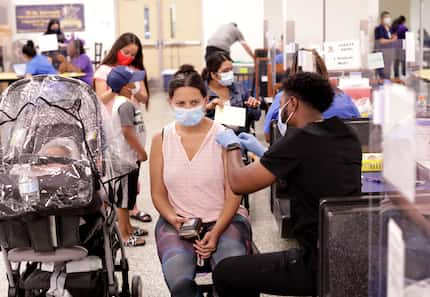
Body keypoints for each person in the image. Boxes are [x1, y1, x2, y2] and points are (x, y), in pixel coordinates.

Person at [213, 72, 362, 296]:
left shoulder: (298, 139)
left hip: (317, 263)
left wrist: (232, 145)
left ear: (293, 103)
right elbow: (308, 171)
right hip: (350, 254)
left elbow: (238, 182)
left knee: (226, 271)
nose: (279, 110)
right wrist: (267, 155)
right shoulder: (346, 133)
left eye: (280, 103)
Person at [150, 64, 252, 297]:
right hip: (178, 222)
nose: (188, 109)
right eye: (181, 104)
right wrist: (173, 219)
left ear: (206, 100)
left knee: (233, 277)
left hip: (224, 218)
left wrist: (215, 232)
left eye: (194, 103)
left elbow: (234, 192)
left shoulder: (224, 136)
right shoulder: (161, 139)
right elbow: (158, 193)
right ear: (170, 103)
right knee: (181, 285)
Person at [94, 32, 151, 223]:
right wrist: (116, 87)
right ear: (117, 48)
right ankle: (116, 210)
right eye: (126, 52)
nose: (129, 57)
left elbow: (144, 96)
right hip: (112, 125)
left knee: (131, 168)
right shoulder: (104, 71)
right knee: (116, 171)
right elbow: (100, 99)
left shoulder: (134, 71)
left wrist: (134, 87)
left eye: (134, 54)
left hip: (130, 121)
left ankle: (130, 207)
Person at [263, 49, 360, 143]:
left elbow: (269, 135)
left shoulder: (285, 97)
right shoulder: (342, 97)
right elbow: (361, 127)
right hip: (342, 156)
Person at [106, 65, 148, 247]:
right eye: (132, 82)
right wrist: (141, 151)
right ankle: (124, 234)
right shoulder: (124, 105)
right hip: (125, 158)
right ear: (124, 86)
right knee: (122, 200)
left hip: (129, 158)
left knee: (128, 196)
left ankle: (129, 227)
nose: (135, 85)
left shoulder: (124, 103)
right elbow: (127, 131)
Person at [202, 52, 261, 133]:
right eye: (225, 71)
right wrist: (207, 108)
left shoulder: (239, 88)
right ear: (213, 74)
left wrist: (253, 107)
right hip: (213, 139)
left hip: (240, 137)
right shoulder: (201, 91)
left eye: (231, 69)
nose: (230, 73)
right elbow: (193, 120)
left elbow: (256, 117)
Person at [374, 11, 398, 79]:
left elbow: (394, 37)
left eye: (389, 17)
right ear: (382, 19)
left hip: (389, 53)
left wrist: (394, 37)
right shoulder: (379, 28)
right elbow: (381, 41)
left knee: (388, 72)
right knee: (381, 73)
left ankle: (387, 84)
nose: (388, 19)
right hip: (381, 53)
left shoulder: (390, 28)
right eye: (386, 17)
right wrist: (392, 40)